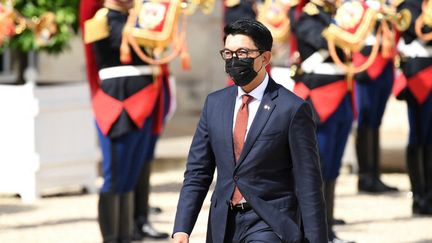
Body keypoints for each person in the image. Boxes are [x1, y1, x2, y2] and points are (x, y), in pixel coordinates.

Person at [173, 19, 328, 243]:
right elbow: (198, 172)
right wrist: (182, 229)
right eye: (228, 53)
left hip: (270, 222)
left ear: (264, 58)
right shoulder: (214, 104)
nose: (234, 60)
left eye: (243, 53)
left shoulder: (292, 109)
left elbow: (308, 183)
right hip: (223, 223)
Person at [80, 0, 171, 241]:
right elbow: (118, 45)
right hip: (118, 103)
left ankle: (126, 234)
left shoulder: (141, 17)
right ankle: (112, 238)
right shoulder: (101, 19)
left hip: (144, 101)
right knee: (115, 176)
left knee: (132, 174)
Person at [294, 0, 354, 241]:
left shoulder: (334, 16)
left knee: (333, 167)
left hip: (340, 97)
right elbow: (324, 42)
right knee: (318, 168)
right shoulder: (308, 17)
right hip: (319, 98)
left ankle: (327, 227)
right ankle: (314, 231)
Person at [352, 0, 399, 194]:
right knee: (365, 121)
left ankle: (375, 174)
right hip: (367, 64)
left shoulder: (386, 5)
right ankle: (365, 176)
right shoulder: (356, 6)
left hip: (384, 63)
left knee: (376, 122)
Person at [395, 0, 432, 215]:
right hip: (419, 73)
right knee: (419, 136)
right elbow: (416, 27)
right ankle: (419, 195)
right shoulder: (410, 4)